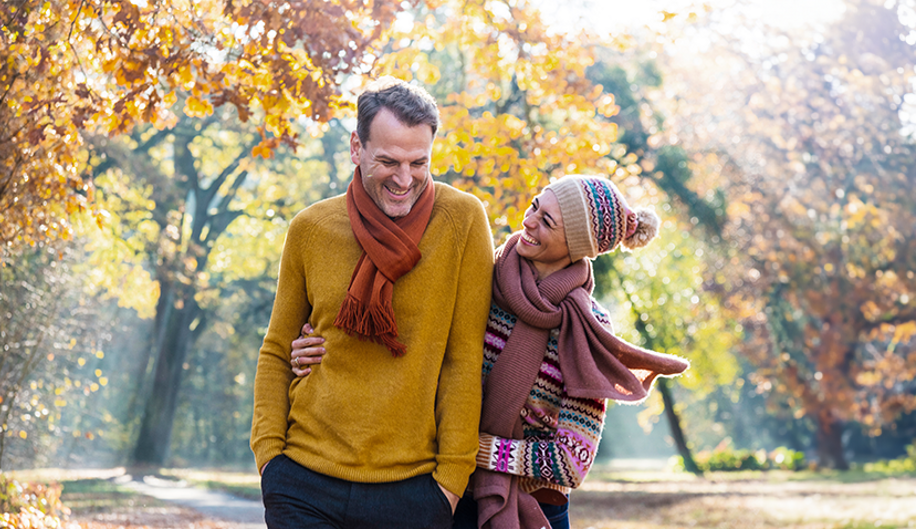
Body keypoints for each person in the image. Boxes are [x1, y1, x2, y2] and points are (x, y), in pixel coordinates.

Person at [289, 175, 692, 529]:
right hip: (443, 492)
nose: (528, 221)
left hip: (532, 509)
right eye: (536, 205)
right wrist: (314, 346)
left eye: (547, 221)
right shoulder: (481, 275)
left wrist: (471, 447)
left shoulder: (586, 327)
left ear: (577, 246)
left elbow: (572, 460)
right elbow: (409, 345)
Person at [250, 79, 494, 528]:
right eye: (388, 161)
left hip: (413, 492)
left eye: (418, 162)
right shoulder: (311, 228)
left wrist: (450, 485)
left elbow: (464, 361)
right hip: (303, 482)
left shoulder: (462, 221)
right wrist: (270, 459)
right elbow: (276, 349)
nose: (405, 180)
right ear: (356, 148)